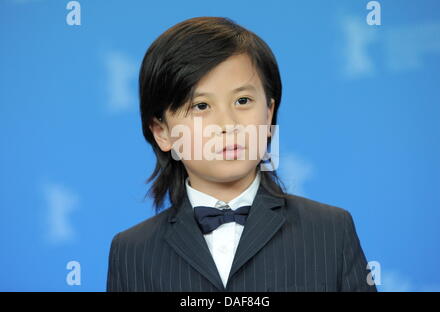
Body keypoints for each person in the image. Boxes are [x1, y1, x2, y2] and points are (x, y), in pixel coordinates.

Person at [106, 16, 377, 292]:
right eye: (201, 106)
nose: (228, 124)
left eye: (243, 101)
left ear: (269, 113)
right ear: (161, 131)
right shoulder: (131, 251)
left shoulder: (329, 230)